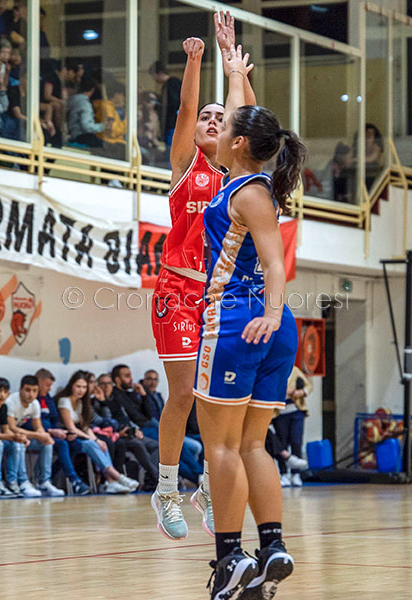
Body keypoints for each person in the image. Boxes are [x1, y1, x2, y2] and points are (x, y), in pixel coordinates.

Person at [194, 43, 304, 599]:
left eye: (226, 124)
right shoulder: (245, 177)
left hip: (242, 320)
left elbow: (272, 261)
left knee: (222, 447)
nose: (214, 127)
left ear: (237, 143)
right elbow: (246, 128)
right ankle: (273, 545)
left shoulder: (250, 192)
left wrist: (271, 307)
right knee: (254, 445)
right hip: (269, 327)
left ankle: (230, 558)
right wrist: (235, 72)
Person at [150, 12, 258, 542]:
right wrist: (196, 62)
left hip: (218, 294)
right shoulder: (184, 165)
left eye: (222, 117)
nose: (214, 120)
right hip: (176, 287)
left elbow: (250, 117)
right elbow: (187, 109)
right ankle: (166, 488)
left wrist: (231, 60)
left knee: (218, 402)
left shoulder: (237, 177)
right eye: (207, 118)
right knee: (183, 397)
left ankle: (208, 492)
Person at [54, 371, 136, 494]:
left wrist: (97, 440)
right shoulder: (64, 401)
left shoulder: (81, 402)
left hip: (79, 436)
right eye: (78, 386)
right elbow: (71, 428)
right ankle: (117, 477)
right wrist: (93, 439)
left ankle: (110, 482)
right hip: (67, 437)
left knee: (102, 444)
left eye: (84, 387)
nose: (81, 390)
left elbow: (85, 426)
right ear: (71, 386)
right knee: (93, 443)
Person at [5, 375, 63, 497]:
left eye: (34, 391)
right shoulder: (10, 402)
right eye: (27, 390)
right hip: (7, 436)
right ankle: (22, 482)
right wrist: (37, 435)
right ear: (20, 389)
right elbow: (12, 428)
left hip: (22, 435)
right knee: (19, 443)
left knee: (47, 444)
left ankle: (43, 481)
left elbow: (38, 426)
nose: (30, 394)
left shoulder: (35, 404)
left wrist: (44, 436)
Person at [36, 369, 90, 495]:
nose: (49, 389)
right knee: (62, 444)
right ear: (39, 382)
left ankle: (50, 477)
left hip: (51, 433)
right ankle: (74, 480)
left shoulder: (48, 398)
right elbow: (30, 423)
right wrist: (51, 431)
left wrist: (61, 432)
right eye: (47, 385)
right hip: (37, 434)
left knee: (75, 443)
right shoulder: (33, 399)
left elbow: (54, 418)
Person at [274, 365, 311, 487]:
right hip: (279, 413)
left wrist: (301, 392)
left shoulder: (295, 370)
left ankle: (296, 474)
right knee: (282, 442)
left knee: (296, 441)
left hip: (296, 411)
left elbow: (309, 386)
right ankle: (284, 473)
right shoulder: (272, 370)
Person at [67, 76, 108, 148]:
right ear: (92, 90)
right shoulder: (85, 104)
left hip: (73, 135)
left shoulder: (71, 100)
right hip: (82, 137)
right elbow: (86, 127)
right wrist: (103, 125)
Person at [149, 60, 182, 149]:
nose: (154, 79)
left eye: (153, 76)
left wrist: (156, 106)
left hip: (173, 125)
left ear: (159, 73)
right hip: (172, 125)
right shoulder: (170, 84)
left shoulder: (171, 83)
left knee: (171, 149)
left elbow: (173, 103)